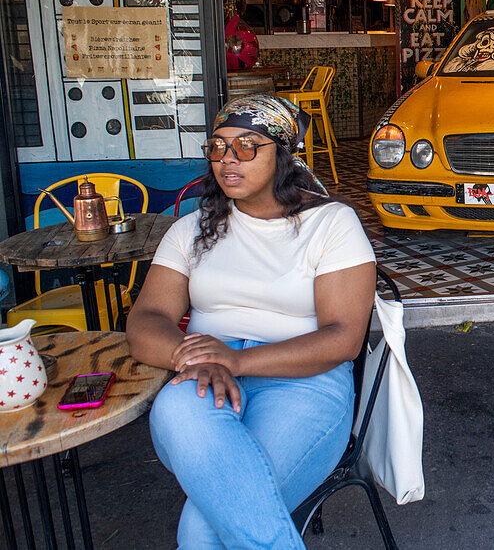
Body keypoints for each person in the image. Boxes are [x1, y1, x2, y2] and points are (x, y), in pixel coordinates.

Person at [126, 94, 377, 549]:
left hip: (304, 384)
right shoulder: (192, 228)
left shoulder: (331, 226)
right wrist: (195, 356)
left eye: (245, 146)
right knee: (180, 408)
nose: (227, 160)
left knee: (203, 531)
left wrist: (236, 361)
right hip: (202, 380)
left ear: (282, 155)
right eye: (218, 147)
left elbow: (344, 339)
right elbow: (147, 318)